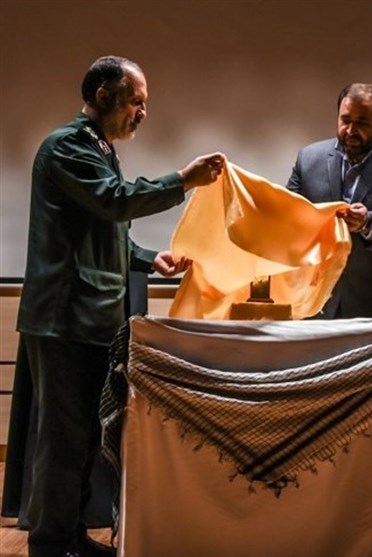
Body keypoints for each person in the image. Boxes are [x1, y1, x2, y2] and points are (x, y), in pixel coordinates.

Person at [15, 55, 225, 557]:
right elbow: (114, 201)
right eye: (135, 101)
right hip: (65, 319)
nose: (142, 113)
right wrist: (182, 180)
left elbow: (107, 230)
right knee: (63, 440)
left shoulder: (99, 148)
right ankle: (51, 544)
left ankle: (72, 536)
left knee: (86, 436)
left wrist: (151, 259)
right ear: (103, 96)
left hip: (90, 318)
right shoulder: (67, 146)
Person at [286, 83, 372, 324]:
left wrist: (368, 222)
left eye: (361, 123)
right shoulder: (308, 158)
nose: (350, 130)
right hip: (315, 300)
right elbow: (286, 212)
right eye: (345, 120)